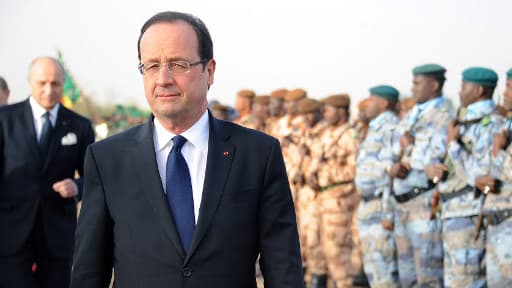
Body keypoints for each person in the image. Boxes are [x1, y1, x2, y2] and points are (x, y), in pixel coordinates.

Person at [70, 11, 303, 288]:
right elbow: (88, 272)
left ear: (210, 71)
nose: (163, 78)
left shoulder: (258, 154)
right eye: (152, 66)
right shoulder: (107, 160)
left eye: (179, 64)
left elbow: (282, 265)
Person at [0, 57, 95, 288]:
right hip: (10, 231)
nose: (48, 90)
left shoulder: (79, 125)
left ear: (63, 84)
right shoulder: (5, 119)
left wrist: (77, 187)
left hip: (58, 233)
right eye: (42, 83)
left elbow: (93, 178)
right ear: (30, 82)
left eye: (55, 84)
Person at [425, 67, 503, 287]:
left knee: (467, 281)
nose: (459, 92)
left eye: (464, 87)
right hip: (452, 211)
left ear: (478, 90)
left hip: (470, 212)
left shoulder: (489, 124)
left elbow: (481, 175)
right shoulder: (462, 120)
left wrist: (453, 145)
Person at [389, 63, 452, 287]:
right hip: (402, 206)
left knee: (428, 278)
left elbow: (436, 161)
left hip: (424, 206)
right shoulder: (411, 115)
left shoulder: (443, 117)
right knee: (407, 279)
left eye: (417, 83)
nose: (412, 88)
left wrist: (409, 154)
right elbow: (394, 151)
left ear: (434, 85)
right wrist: (395, 165)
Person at [306, 94, 359, 288]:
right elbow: (316, 162)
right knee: (319, 251)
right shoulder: (326, 134)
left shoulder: (349, 136)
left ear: (342, 112)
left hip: (339, 201)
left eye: (328, 110)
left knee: (338, 253)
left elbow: (353, 170)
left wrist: (325, 174)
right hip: (321, 199)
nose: (324, 114)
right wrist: (312, 175)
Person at [355, 85, 400, 287]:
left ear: (384, 103)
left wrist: (388, 214)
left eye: (372, 99)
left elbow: (393, 174)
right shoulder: (374, 129)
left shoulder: (391, 129)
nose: (367, 103)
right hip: (368, 209)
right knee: (374, 273)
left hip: (381, 211)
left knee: (385, 276)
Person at [478, 67, 512, 286]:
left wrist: (499, 152)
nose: (504, 92)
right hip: (497, 224)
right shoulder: (505, 125)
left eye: (509, 87)